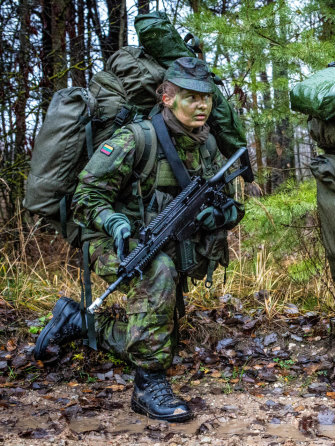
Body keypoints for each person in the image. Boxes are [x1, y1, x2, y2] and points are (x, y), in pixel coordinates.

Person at [34, 57, 244, 421]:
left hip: (165, 240)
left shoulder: (205, 145)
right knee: (157, 271)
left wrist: (220, 214)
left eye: (206, 98)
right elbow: (85, 196)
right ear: (167, 98)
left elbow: (226, 202)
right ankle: (149, 387)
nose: (202, 106)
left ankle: (80, 323)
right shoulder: (136, 139)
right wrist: (113, 221)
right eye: (191, 97)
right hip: (108, 240)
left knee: (158, 335)